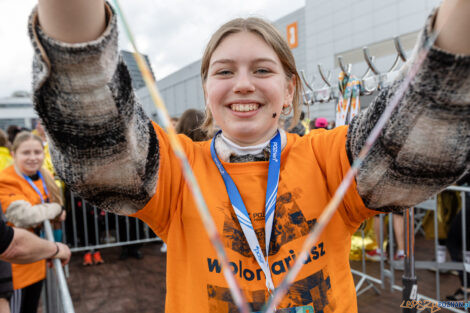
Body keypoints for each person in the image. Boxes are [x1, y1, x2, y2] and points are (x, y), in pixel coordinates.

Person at [30, 1, 469, 312]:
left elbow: (423, 130)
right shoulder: (180, 170)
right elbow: (93, 127)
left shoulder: (327, 157)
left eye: (262, 69)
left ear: (289, 88)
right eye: (224, 71)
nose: (242, 84)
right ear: (207, 89)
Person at [0, 132, 66, 313]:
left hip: (36, 260)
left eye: (37, 152)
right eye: (26, 153)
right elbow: (23, 215)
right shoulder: (5, 180)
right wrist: (56, 209)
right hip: (15, 270)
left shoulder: (44, 177)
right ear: (13, 155)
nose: (33, 157)